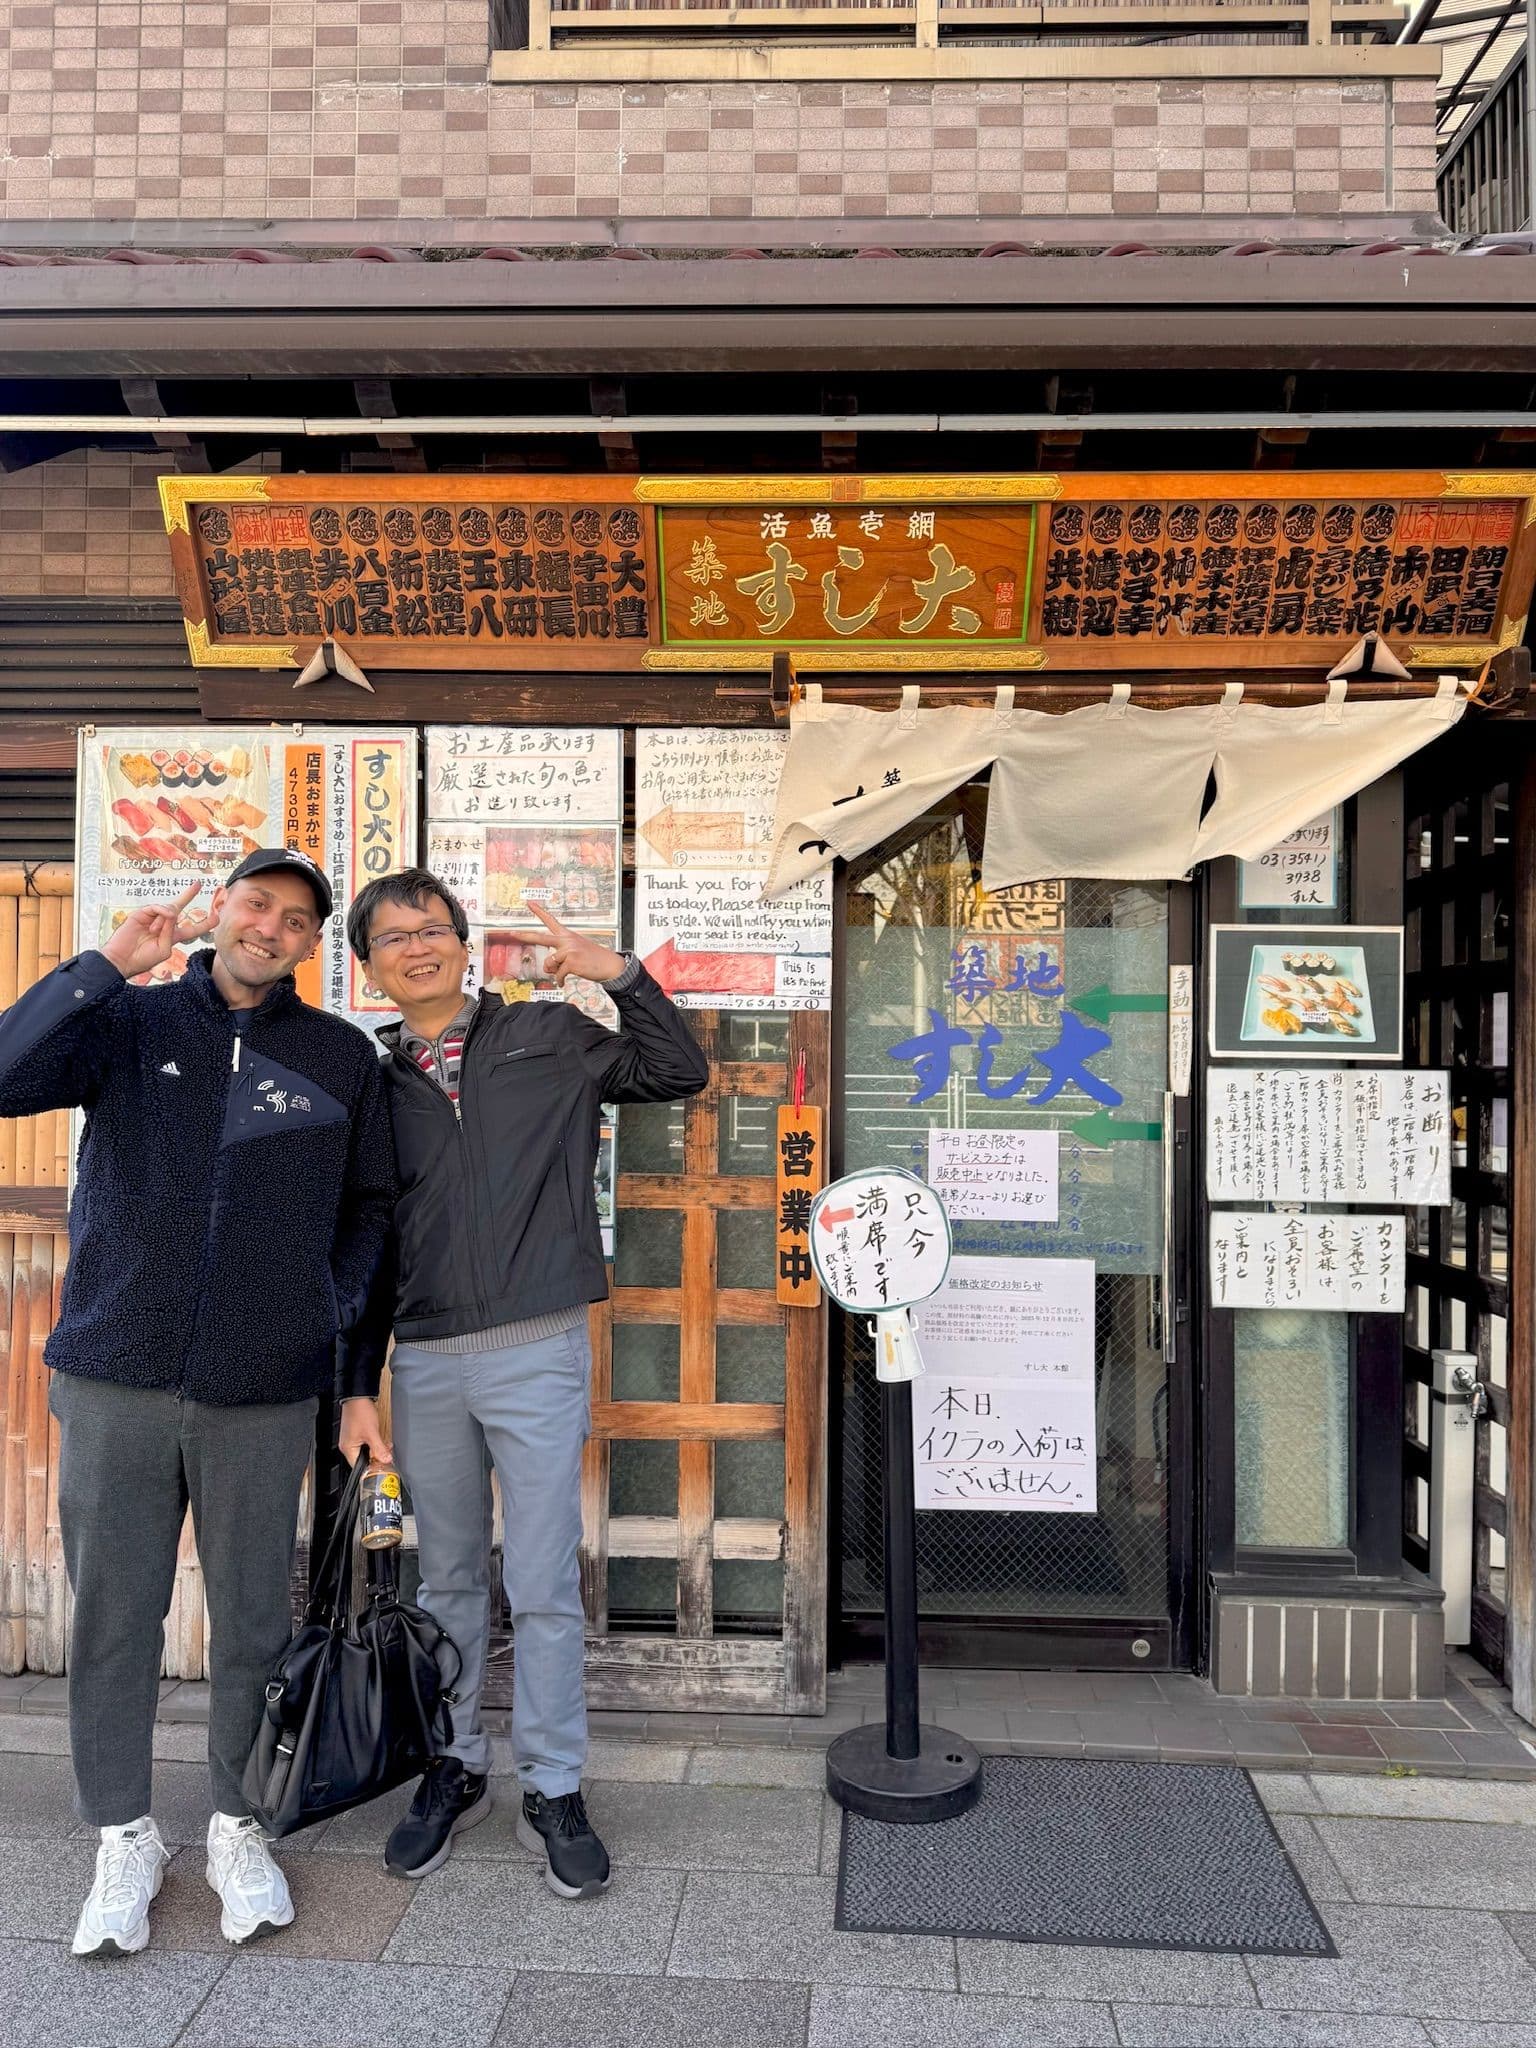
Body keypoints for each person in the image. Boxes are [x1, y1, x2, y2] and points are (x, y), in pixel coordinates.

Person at [0, 850, 396, 1957]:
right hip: (115, 1371)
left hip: (264, 1390)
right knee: (115, 1618)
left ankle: (237, 1818)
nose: (272, 926)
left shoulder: (337, 1055)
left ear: (314, 945)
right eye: (257, 904)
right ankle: (123, 1830)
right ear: (220, 908)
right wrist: (98, 968)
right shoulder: (123, 1023)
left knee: (254, 1623)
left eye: (298, 919)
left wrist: (329, 1319)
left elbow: (370, 1208)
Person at [342, 868, 708, 1898]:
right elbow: (362, 1239)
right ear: (367, 965)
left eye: (434, 928)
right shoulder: (368, 1079)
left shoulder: (548, 1036)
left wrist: (622, 976)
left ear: (463, 942)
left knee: (542, 1581)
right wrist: (357, 1380)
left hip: (538, 1340)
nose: (418, 945)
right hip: (423, 1356)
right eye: (393, 936)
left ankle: (553, 1783)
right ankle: (453, 1765)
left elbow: (677, 1071)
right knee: (447, 1576)